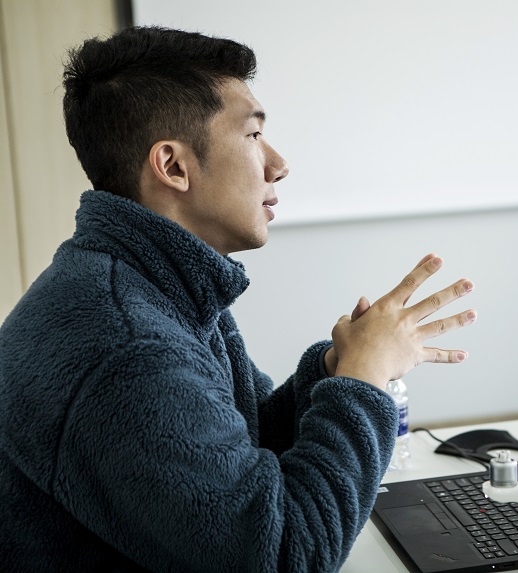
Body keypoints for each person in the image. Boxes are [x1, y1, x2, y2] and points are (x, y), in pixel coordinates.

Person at [0, 26, 476, 572]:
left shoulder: (148, 281)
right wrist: (364, 380)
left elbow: (235, 446)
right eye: (252, 137)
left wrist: (333, 369)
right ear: (173, 166)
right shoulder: (129, 346)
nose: (278, 164)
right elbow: (281, 556)